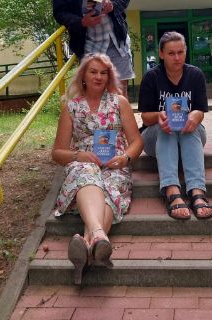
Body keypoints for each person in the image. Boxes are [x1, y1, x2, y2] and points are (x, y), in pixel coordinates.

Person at [51, 53, 143, 285]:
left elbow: (137, 142)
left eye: (104, 73)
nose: (99, 76)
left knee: (111, 187)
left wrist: (125, 158)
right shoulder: (71, 107)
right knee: (87, 174)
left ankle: (87, 243)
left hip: (115, 165)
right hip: (83, 162)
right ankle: (100, 236)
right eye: (93, 71)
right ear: (83, 75)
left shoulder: (119, 102)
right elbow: (57, 153)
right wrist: (78, 155)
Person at [138, 31, 212, 220]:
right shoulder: (151, 77)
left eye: (181, 52)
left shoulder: (195, 75)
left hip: (191, 134)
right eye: (171, 53)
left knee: (189, 128)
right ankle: (172, 189)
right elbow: (145, 118)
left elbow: (200, 111)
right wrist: (159, 116)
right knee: (168, 128)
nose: (177, 57)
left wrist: (196, 115)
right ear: (161, 54)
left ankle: (197, 191)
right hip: (154, 137)